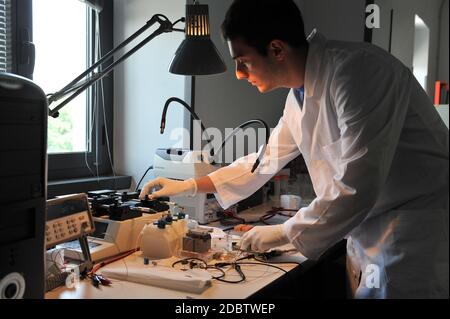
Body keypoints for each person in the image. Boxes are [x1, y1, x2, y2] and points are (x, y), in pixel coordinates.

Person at [140, 0, 449, 298]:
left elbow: (357, 186)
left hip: (412, 232)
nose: (238, 74)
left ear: (276, 49)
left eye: (242, 61)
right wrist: (190, 184)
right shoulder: (298, 96)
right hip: (367, 230)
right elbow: (263, 161)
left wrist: (284, 232)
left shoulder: (357, 73)